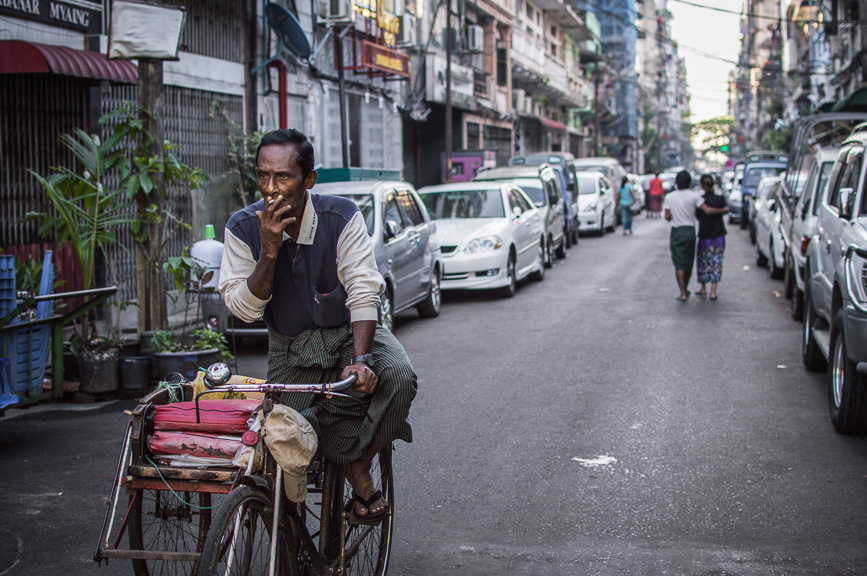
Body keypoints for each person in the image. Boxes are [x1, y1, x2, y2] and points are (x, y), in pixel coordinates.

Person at [219, 128, 417, 520]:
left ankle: (357, 460)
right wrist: (269, 253)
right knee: (283, 434)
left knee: (397, 377)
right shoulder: (242, 228)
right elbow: (243, 309)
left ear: (309, 179)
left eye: (283, 177)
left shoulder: (340, 216)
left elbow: (362, 290)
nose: (271, 189)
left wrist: (361, 359)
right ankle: (333, 467)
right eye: (262, 176)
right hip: (289, 345)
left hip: (349, 333)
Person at [663, 170, 729, 301]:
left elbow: (667, 216)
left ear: (676, 183)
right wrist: (724, 210)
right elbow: (707, 210)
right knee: (688, 262)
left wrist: (675, 216)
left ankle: (682, 292)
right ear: (689, 183)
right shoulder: (695, 196)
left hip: (676, 231)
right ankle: (690, 288)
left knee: (679, 264)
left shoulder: (669, 197)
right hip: (690, 231)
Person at [695, 174, 727, 300]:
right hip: (718, 234)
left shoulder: (700, 200)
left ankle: (703, 287)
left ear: (702, 185)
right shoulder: (720, 199)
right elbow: (724, 210)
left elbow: (698, 216)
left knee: (703, 261)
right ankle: (713, 291)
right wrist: (723, 211)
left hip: (704, 234)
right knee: (716, 262)